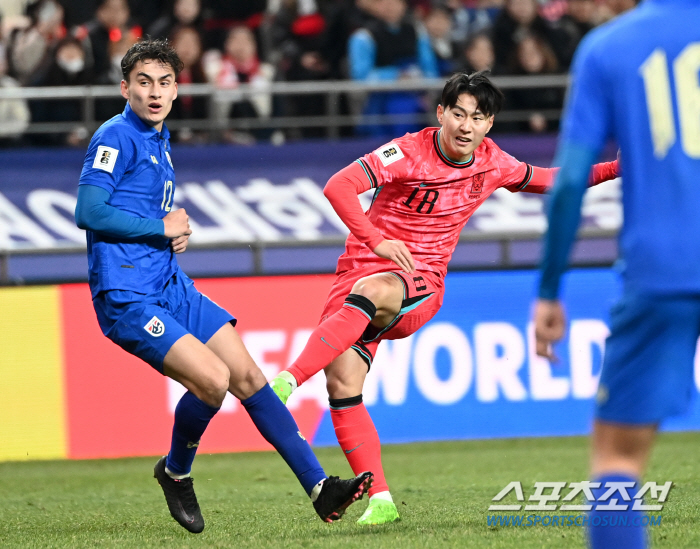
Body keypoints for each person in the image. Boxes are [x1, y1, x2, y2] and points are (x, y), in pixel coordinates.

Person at [269, 70, 620, 525]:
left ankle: (287, 382)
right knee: (342, 383)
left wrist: (615, 168)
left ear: (489, 125)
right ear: (441, 113)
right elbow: (339, 186)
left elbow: (552, 179)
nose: (466, 125)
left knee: (372, 291)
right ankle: (382, 502)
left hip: (419, 283)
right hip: (360, 272)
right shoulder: (406, 151)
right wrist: (376, 241)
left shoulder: (493, 163)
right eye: (458, 113)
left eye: (477, 117)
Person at [74, 38, 372, 535]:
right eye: (143, 82)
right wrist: (159, 230)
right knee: (212, 381)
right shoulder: (115, 137)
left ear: (176, 90)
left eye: (164, 83)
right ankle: (176, 472)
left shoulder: (158, 140)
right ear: (125, 88)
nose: (155, 92)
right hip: (127, 295)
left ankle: (320, 489)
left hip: (169, 283)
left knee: (250, 377)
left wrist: (170, 236)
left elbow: (139, 212)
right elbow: (89, 211)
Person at [531, 1, 699, 548]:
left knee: (617, 459)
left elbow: (570, 182)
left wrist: (549, 290)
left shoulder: (609, 47)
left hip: (663, 270)